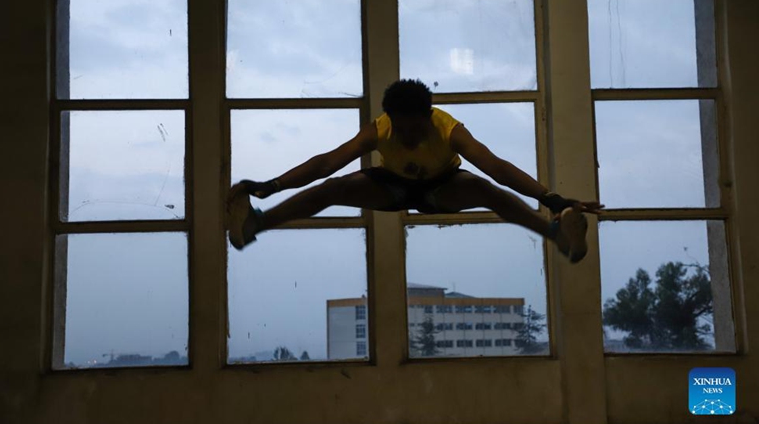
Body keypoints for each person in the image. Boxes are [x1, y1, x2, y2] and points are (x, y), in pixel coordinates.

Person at [227, 79, 603, 262]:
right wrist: (270, 185)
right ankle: (255, 224)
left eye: (414, 129)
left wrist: (551, 197)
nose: (405, 137)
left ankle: (556, 233)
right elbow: (326, 162)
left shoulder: (449, 129)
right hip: (392, 186)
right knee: (333, 187)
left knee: (486, 189)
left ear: (427, 117)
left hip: (444, 185)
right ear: (390, 119)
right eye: (399, 129)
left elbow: (498, 167)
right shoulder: (379, 129)